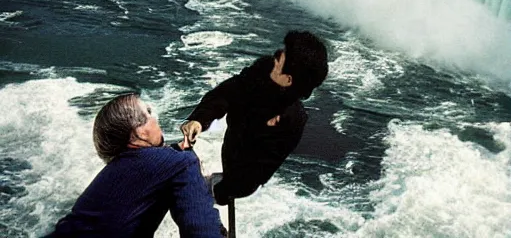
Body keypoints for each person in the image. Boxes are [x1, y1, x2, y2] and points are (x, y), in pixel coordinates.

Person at [178, 31, 329, 205]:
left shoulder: (291, 122)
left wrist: (220, 192)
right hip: (230, 149)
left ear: (288, 79)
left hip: (241, 182)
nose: (276, 55)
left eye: (282, 57)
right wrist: (199, 119)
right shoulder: (264, 70)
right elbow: (227, 93)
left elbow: (258, 171)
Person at [48, 93, 223, 238]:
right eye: (148, 113)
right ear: (139, 132)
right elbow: (201, 229)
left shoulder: (114, 171)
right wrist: (187, 159)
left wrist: (179, 153)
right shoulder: (181, 162)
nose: (155, 118)